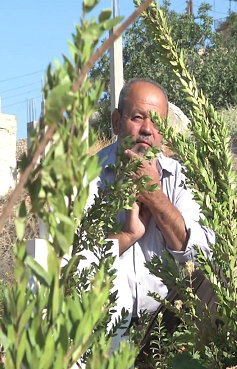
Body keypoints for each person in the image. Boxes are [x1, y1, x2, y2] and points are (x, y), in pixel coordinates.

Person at [84, 79, 216, 350]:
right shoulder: (84, 178)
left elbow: (200, 255)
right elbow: (69, 264)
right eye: (137, 118)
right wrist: (127, 235)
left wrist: (156, 198)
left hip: (165, 324)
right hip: (101, 321)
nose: (147, 129)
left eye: (156, 122)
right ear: (117, 122)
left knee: (212, 281)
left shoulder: (181, 178)